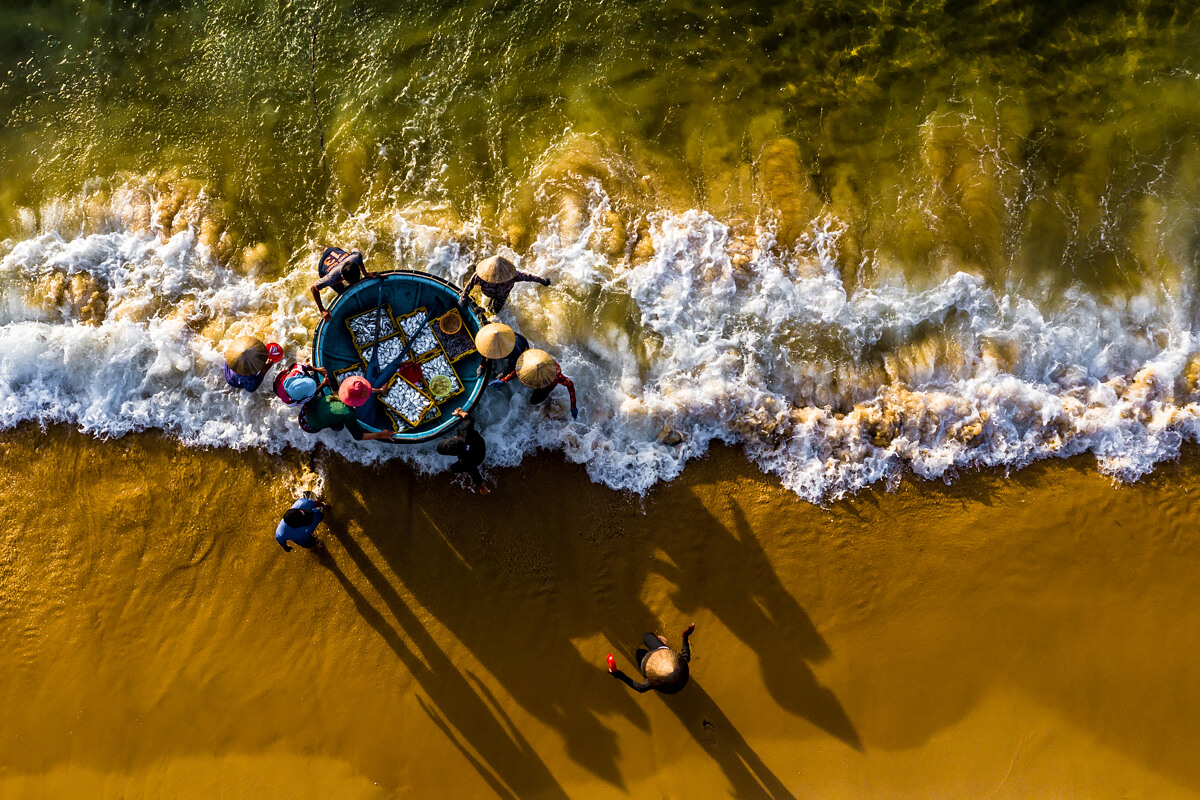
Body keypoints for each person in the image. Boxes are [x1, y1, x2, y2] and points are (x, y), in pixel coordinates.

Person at [490, 348, 579, 420]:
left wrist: (573, 407)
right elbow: (519, 371)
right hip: (543, 367)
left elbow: (570, 385)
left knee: (534, 401)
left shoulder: (556, 377)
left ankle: (548, 398)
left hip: (547, 386)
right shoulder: (533, 361)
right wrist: (504, 380)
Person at [608, 623, 695, 694]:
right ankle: (661, 643)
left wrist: (617, 673)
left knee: (639, 652)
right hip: (661, 650)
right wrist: (685, 636)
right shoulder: (682, 663)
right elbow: (685, 652)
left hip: (646, 660)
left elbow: (639, 688)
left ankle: (661, 642)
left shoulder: (655, 680)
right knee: (647, 636)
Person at [457, 255, 550, 315]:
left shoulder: (514, 276)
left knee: (494, 311)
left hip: (501, 297)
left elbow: (530, 277)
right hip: (489, 293)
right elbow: (469, 286)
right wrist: (463, 298)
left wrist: (543, 281)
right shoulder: (480, 275)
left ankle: (490, 311)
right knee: (491, 307)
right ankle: (486, 309)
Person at [311, 247, 377, 321]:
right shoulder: (331, 278)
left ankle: (325, 249)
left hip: (334, 251)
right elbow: (313, 288)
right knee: (341, 291)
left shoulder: (356, 257)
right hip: (325, 265)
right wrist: (322, 310)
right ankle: (324, 249)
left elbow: (355, 249)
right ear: (342, 277)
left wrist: (365, 273)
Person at [298, 392, 396, 441]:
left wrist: (380, 390)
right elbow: (358, 437)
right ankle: (332, 423)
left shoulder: (337, 393)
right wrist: (380, 435)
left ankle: (329, 419)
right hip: (308, 426)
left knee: (327, 411)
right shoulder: (348, 413)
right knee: (339, 427)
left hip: (304, 412)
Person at [436, 408, 491, 495]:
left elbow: (476, 475)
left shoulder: (465, 462)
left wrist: (482, 488)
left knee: (454, 468)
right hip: (479, 442)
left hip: (478, 457)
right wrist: (460, 412)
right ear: (456, 438)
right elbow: (470, 419)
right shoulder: (465, 431)